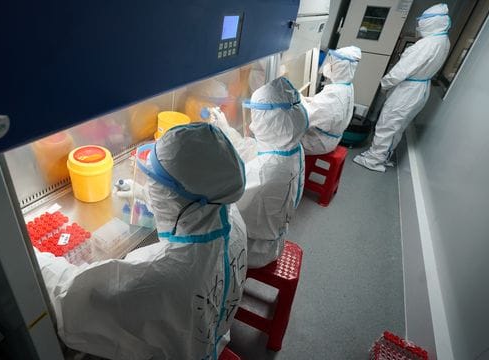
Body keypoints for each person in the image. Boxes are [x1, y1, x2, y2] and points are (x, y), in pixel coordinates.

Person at [35, 123, 248, 360]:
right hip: (211, 340)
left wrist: (34, 257)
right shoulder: (232, 217)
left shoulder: (160, 275)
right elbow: (191, 205)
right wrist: (141, 193)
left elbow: (72, 294)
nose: (152, 187)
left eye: (156, 184)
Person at [208, 77, 308, 268]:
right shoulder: (290, 149)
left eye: (257, 114)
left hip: (252, 248)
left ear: (269, 119)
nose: (254, 119)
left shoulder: (266, 171)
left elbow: (222, 196)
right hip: (272, 237)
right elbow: (253, 150)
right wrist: (225, 129)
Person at [353, 4, 451, 172]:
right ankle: (384, 156)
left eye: (423, 21)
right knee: (397, 126)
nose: (419, 25)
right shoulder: (443, 40)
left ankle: (374, 160)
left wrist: (385, 84)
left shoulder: (426, 44)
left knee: (388, 123)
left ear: (431, 22)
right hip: (420, 88)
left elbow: (401, 70)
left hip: (409, 89)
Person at [301, 46, 361, 155]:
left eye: (332, 63)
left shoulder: (334, 93)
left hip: (316, 142)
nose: (328, 65)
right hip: (330, 139)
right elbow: (322, 106)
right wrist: (305, 99)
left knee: (276, 136)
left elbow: (306, 118)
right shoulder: (346, 86)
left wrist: (298, 100)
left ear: (340, 67)